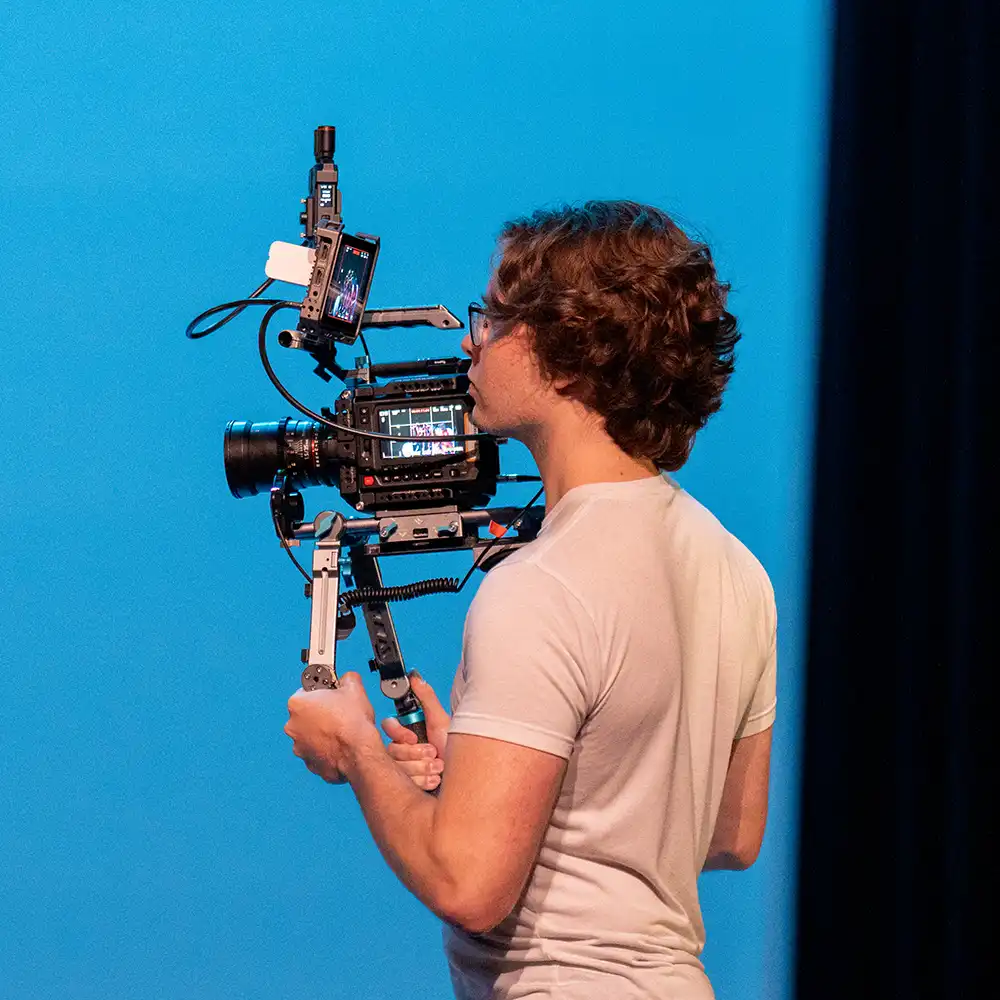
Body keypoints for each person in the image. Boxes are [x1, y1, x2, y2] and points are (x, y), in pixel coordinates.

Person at [284, 201, 777, 1000]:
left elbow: (469, 886)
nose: (471, 338)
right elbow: (730, 832)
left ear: (572, 356)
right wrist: (487, 779)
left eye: (497, 318)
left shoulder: (540, 587)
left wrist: (359, 755)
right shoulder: (736, 568)